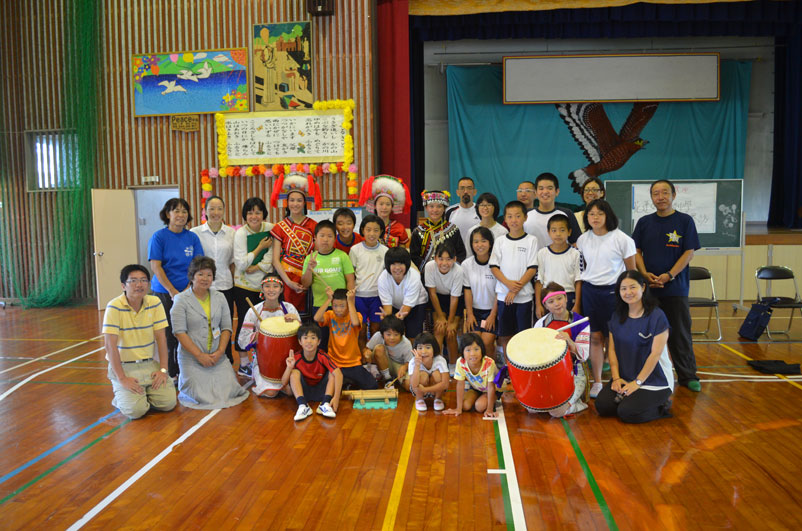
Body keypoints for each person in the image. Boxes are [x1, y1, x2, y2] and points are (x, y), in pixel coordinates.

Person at [633, 179, 701, 392]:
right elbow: (636, 251)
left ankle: (687, 375)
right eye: (655, 193)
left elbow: (689, 252)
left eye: (664, 193)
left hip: (676, 288)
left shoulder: (685, 221)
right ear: (651, 197)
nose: (660, 197)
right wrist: (644, 275)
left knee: (680, 332)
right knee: (645, 333)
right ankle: (646, 375)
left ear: (673, 195)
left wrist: (669, 275)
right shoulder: (644, 222)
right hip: (649, 289)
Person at [595, 270, 675, 423]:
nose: (628, 292)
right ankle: (630, 399)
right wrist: (616, 378)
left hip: (654, 380)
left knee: (627, 412)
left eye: (632, 287)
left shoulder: (657, 316)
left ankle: (662, 407)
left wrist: (638, 382)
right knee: (603, 406)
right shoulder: (617, 316)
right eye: (623, 289)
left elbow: (655, 354)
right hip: (626, 377)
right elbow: (611, 350)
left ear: (643, 287)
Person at [576, 199, 636, 398]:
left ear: (607, 215)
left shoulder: (622, 239)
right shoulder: (583, 240)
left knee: (613, 338)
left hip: (614, 293)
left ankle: (616, 379)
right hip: (590, 292)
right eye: (591, 214)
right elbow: (584, 268)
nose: (595, 217)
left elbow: (631, 271)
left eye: (599, 214)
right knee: (595, 337)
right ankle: (597, 382)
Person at [171, 256, 249, 409]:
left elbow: (227, 327)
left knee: (230, 392)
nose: (205, 278)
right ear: (192, 276)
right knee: (200, 396)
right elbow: (179, 332)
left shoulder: (220, 297)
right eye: (200, 274)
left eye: (209, 275)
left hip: (216, 357)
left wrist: (220, 352)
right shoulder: (180, 300)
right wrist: (200, 356)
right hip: (192, 358)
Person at [102, 265, 176, 419]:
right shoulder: (114, 306)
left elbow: (162, 339)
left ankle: (143, 394)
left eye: (143, 280)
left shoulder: (155, 302)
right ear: (123, 286)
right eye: (133, 281)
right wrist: (122, 378)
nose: (139, 284)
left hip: (149, 364)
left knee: (168, 404)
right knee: (135, 411)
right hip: (125, 367)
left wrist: (163, 370)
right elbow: (110, 346)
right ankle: (122, 395)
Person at [148, 197, 204, 377]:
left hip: (189, 292)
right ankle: (170, 372)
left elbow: (198, 264)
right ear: (168, 214)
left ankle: (187, 370)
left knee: (188, 332)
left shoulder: (192, 237)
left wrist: (188, 289)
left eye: (184, 211)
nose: (181, 215)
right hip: (164, 293)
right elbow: (156, 266)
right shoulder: (159, 237)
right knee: (168, 335)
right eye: (176, 211)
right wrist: (172, 291)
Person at [237, 274, 301, 397]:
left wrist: (296, 322)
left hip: (288, 361)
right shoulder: (253, 311)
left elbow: (301, 337)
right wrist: (262, 336)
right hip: (263, 361)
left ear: (281, 289)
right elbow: (242, 340)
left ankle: (285, 383)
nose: (271, 290)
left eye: (275, 286)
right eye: (267, 286)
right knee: (271, 393)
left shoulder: (289, 308)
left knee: (291, 391)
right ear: (262, 289)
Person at [533, 282, 591, 416]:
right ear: (545, 306)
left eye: (560, 298)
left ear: (566, 298)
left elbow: (584, 356)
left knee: (556, 412)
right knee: (533, 408)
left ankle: (579, 404)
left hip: (574, 373)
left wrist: (570, 342)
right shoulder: (541, 324)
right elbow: (535, 352)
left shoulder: (581, 322)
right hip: (549, 373)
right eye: (551, 301)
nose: (557, 303)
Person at [490, 201, 538, 356]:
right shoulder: (500, 241)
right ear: (505, 219)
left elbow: (532, 268)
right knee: (505, 335)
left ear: (525, 217)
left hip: (523, 298)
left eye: (518, 216)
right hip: (504, 297)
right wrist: (509, 285)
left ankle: (522, 366)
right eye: (510, 216)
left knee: (523, 335)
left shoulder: (531, 240)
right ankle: (509, 367)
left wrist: (515, 289)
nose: (514, 220)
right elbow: (494, 267)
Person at [191, 196, 236, 363]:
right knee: (202, 323)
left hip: (225, 285)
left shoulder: (231, 233)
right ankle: (202, 356)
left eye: (219, 209)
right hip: (202, 286)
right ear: (205, 211)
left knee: (225, 323)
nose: (215, 213)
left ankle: (226, 357)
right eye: (211, 208)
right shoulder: (194, 233)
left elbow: (233, 263)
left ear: (224, 211)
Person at [232, 197, 274, 374]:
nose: (254, 216)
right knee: (244, 323)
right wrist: (258, 248)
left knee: (264, 323)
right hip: (243, 287)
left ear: (263, 213)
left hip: (265, 287)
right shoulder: (241, 233)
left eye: (257, 212)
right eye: (250, 213)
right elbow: (241, 265)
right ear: (245, 215)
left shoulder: (271, 229)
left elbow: (271, 257)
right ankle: (243, 363)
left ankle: (262, 360)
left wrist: (256, 266)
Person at [271, 172, 321, 315]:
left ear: (305, 202)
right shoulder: (280, 227)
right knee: (285, 316)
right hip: (286, 276)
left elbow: (316, 255)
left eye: (299, 200)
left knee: (306, 316)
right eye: (292, 200)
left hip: (307, 276)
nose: (295, 204)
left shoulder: (313, 225)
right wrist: (288, 282)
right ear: (287, 202)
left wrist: (307, 275)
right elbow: (275, 260)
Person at [302, 220, 356, 349]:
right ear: (315, 238)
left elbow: (350, 280)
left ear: (334, 239)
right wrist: (309, 269)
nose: (325, 239)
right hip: (320, 306)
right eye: (322, 236)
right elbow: (305, 283)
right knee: (322, 340)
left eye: (330, 236)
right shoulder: (310, 259)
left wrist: (349, 302)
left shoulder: (342, 256)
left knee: (341, 340)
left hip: (341, 306)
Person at [314, 288, 377, 390]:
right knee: (325, 388)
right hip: (334, 363)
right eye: (335, 306)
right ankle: (346, 382)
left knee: (372, 385)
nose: (338, 309)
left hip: (353, 363)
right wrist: (328, 300)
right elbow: (316, 318)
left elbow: (355, 323)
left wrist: (350, 301)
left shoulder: (356, 315)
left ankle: (347, 382)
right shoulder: (330, 315)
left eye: (342, 306)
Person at [281, 323, 342, 421]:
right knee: (293, 373)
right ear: (300, 341)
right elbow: (283, 383)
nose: (309, 341)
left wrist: (336, 397)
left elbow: (338, 374)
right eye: (305, 338)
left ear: (319, 341)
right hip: (304, 392)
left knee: (333, 372)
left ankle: (325, 405)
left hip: (321, 392)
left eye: (313, 338)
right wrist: (289, 368)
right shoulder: (296, 358)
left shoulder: (322, 356)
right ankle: (303, 406)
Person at [462, 226, 499, 359]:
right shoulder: (467, 264)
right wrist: (470, 314)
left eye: (483, 241)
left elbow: (498, 292)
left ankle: (492, 370)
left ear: (490, 243)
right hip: (475, 312)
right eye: (476, 241)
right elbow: (468, 291)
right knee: (475, 343)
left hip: (492, 311)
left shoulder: (496, 263)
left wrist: (492, 315)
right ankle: (478, 372)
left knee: (486, 342)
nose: (479, 245)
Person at [535, 214, 582, 319]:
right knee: (549, 332)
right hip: (548, 298)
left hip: (569, 296)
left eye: (562, 230)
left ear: (569, 232)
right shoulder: (542, 253)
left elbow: (578, 281)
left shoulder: (576, 253)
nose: (558, 234)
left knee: (569, 330)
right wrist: (538, 305)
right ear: (548, 232)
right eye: (554, 230)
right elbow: (539, 281)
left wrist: (577, 304)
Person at [423, 243, 464, 362]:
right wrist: (441, 316)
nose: (444, 263)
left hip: (455, 299)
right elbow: (432, 293)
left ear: (455, 259)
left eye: (449, 259)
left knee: (451, 332)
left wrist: (450, 321)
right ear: (435, 258)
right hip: (438, 298)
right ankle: (437, 363)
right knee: (439, 329)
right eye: (441, 259)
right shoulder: (430, 266)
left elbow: (454, 298)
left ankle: (453, 364)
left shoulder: (459, 271)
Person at [349, 214, 388, 338]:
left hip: (377, 296)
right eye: (368, 230)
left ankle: (373, 355)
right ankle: (361, 355)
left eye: (376, 230)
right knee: (361, 328)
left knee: (376, 328)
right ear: (362, 231)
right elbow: (351, 275)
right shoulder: (355, 250)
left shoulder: (385, 251)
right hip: (359, 296)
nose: (372, 233)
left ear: (381, 231)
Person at [377, 247, 428, 340]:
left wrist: (397, 317)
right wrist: (387, 318)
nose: (397, 268)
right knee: (393, 332)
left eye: (401, 263)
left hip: (416, 304)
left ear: (407, 264)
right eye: (393, 264)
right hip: (395, 304)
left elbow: (406, 308)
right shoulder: (383, 278)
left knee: (413, 336)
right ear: (388, 265)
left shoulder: (414, 276)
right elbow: (387, 307)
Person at [523, 172, 582, 252]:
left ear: (557, 191)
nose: (545, 192)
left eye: (550, 188)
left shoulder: (567, 214)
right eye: (541, 188)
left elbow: (576, 242)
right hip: (532, 263)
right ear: (535, 192)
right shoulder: (525, 214)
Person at [444, 333, 498, 418]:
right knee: (465, 406)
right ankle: (478, 396)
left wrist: (489, 409)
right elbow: (460, 384)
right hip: (476, 387)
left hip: (493, 388)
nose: (472, 353)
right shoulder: (460, 362)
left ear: (482, 350)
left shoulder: (489, 363)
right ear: (462, 352)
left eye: (476, 349)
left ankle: (493, 398)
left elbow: (491, 387)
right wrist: (458, 408)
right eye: (468, 350)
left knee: (479, 407)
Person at [410, 190, 466, 269]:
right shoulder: (418, 231)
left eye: (439, 206)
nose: (435, 210)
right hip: (427, 275)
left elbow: (461, 253)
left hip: (449, 273)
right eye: (431, 206)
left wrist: (452, 267)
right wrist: (427, 269)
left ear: (444, 208)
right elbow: (414, 255)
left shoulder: (453, 229)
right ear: (426, 208)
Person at [358, 174, 411, 248]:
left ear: (392, 207)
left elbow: (402, 253)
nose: (384, 207)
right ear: (375, 206)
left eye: (388, 204)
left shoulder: (399, 228)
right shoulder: (368, 226)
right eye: (381, 204)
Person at [405, 332, 450, 412]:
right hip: (419, 389)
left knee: (436, 374)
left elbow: (445, 384)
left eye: (428, 347)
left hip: (430, 388)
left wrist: (425, 390)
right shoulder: (413, 362)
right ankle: (419, 399)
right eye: (420, 348)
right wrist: (417, 365)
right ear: (415, 349)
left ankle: (438, 398)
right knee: (423, 375)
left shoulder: (440, 360)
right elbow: (414, 385)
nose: (423, 351)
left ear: (434, 349)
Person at [364, 315, 414, 383]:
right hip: (381, 363)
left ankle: (392, 378)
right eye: (388, 334)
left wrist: (405, 367)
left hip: (398, 365)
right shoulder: (378, 336)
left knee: (409, 384)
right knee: (379, 349)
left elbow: (411, 362)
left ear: (402, 334)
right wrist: (367, 352)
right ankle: (388, 379)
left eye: (396, 334)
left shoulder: (406, 343)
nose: (392, 338)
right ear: (382, 333)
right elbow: (367, 349)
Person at [445, 176, 481, 255]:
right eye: (462, 188)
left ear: (474, 192)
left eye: (469, 188)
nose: (465, 191)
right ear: (457, 192)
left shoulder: (481, 211)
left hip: (476, 257)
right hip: (455, 258)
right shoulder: (449, 212)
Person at [465, 192, 507, 257]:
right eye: (482, 205)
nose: (485, 208)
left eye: (489, 205)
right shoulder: (472, 231)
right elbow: (469, 255)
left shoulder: (503, 231)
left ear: (495, 207)